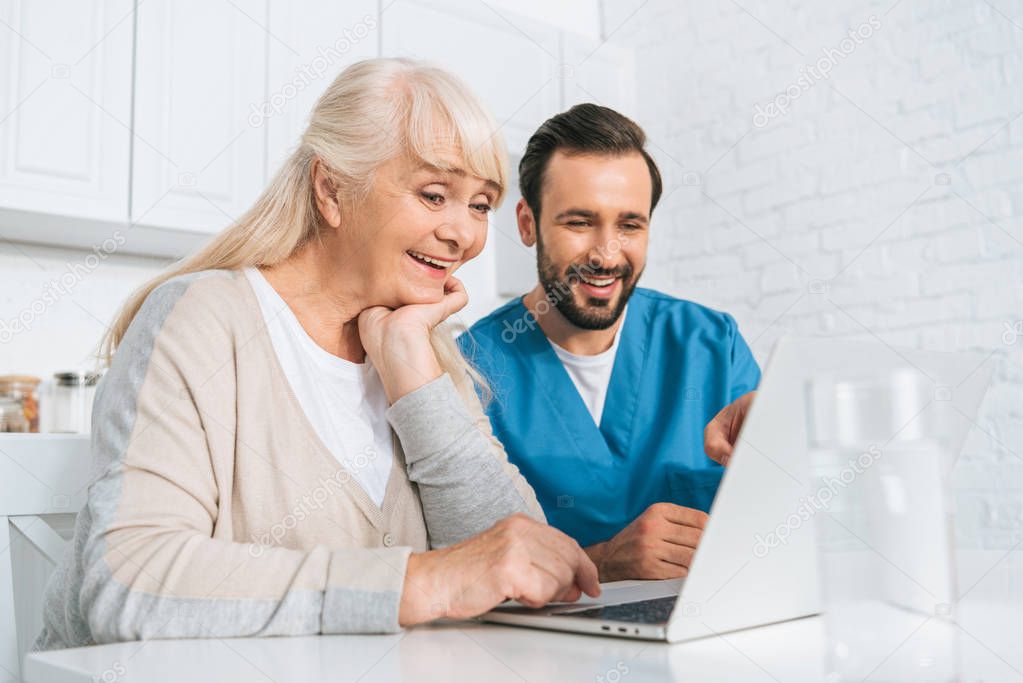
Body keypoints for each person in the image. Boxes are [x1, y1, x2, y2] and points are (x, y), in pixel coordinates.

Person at [34, 58, 599, 651]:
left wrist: (415, 378)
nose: (463, 233)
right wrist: (420, 582)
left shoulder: (424, 347)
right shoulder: (201, 318)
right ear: (331, 190)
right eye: (435, 195)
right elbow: (128, 581)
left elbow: (525, 570)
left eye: (480, 205)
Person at [458, 104, 760, 582]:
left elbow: (776, 518)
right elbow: (461, 568)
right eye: (579, 223)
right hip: (543, 652)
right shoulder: (472, 370)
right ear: (527, 223)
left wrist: (787, 446)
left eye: (629, 225)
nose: (606, 254)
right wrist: (601, 561)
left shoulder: (710, 345)